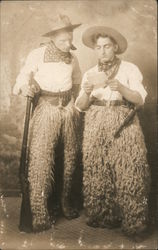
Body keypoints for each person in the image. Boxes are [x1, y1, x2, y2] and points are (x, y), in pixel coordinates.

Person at [75, 26, 150, 239]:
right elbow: (80, 106)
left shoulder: (129, 69)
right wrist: (87, 93)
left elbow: (140, 100)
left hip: (123, 121)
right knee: (97, 170)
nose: (103, 51)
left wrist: (121, 88)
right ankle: (103, 216)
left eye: (107, 46)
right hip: (96, 121)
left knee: (130, 171)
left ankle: (134, 221)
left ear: (115, 47)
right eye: (98, 47)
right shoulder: (90, 73)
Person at [13, 14, 82, 232]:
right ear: (52, 38)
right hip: (46, 110)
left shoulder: (73, 58)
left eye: (70, 39)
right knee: (42, 160)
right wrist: (27, 88)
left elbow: (78, 82)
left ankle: (64, 202)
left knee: (69, 159)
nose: (68, 44)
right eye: (63, 40)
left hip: (68, 110)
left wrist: (75, 104)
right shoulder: (38, 54)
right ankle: (39, 211)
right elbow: (22, 78)